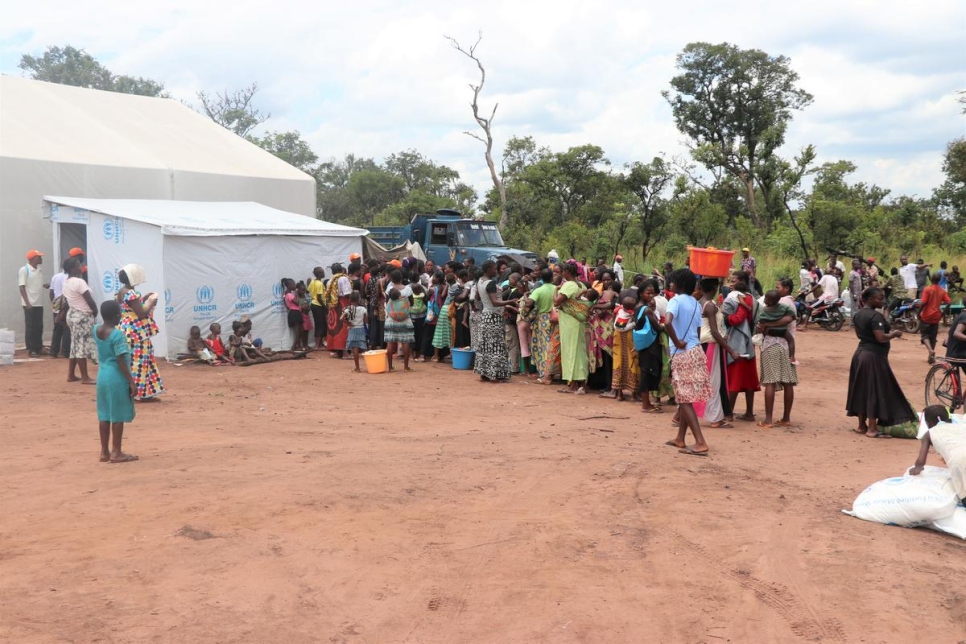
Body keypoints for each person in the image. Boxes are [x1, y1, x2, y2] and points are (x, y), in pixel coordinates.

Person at [845, 287, 915, 437]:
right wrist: (894, 334)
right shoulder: (875, 317)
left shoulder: (858, 315)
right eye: (879, 298)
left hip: (860, 355)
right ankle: (872, 429)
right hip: (873, 357)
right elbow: (881, 338)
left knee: (862, 390)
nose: (882, 301)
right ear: (870, 299)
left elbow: (861, 335)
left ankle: (861, 426)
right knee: (873, 391)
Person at [664, 269, 712, 456]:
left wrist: (676, 342)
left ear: (679, 284)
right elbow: (698, 330)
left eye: (673, 282)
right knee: (687, 398)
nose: (670, 284)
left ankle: (700, 442)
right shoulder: (696, 302)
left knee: (684, 399)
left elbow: (668, 322)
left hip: (682, 352)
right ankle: (680, 438)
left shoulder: (675, 301)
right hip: (696, 350)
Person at [94, 300, 137, 463]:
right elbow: (120, 361)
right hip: (116, 377)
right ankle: (116, 452)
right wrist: (131, 382)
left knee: (104, 414)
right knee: (117, 415)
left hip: (102, 376)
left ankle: (104, 452)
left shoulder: (96, 330)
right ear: (117, 316)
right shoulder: (117, 335)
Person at [116, 264, 163, 402]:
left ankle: (135, 392)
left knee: (132, 361)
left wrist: (143, 300)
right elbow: (141, 313)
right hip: (136, 332)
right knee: (140, 362)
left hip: (126, 329)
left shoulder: (121, 292)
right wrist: (151, 302)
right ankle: (140, 393)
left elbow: (130, 308)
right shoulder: (131, 293)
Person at [755, 287, 798, 427]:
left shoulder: (764, 311)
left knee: (770, 383)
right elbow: (791, 318)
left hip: (769, 346)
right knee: (788, 382)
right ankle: (786, 418)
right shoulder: (785, 308)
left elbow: (759, 326)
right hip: (785, 345)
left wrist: (766, 325)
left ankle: (768, 420)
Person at [698, 278, 737, 427]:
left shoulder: (701, 303)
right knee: (714, 381)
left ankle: (680, 415)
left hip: (705, 344)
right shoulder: (710, 306)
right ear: (714, 288)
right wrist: (731, 350)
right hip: (712, 346)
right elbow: (714, 332)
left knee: (705, 380)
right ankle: (715, 418)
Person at [722, 272, 760, 421]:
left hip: (739, 342)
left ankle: (729, 413)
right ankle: (749, 412)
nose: (731, 283)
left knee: (735, 377)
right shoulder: (750, 299)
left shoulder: (744, 299)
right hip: (747, 343)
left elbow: (737, 319)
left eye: (734, 281)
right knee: (749, 378)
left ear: (742, 283)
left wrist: (724, 316)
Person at [908, 406, 966, 504]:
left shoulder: (928, 434)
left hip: (959, 460)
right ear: (949, 418)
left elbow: (921, 461)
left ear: (927, 424)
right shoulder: (962, 425)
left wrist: (917, 468)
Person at [474, 260, 515, 382]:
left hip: (485, 316)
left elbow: (477, 298)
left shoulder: (480, 281)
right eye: (494, 269)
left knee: (486, 345)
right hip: (493, 317)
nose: (496, 271)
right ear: (488, 270)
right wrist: (510, 302)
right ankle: (496, 374)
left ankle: (485, 373)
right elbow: (495, 302)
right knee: (496, 345)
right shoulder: (491, 283)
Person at [555, 262, 590, 394]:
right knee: (579, 351)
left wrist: (555, 290)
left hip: (570, 322)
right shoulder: (581, 284)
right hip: (578, 321)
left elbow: (557, 301)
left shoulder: (569, 285)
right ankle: (581, 382)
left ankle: (572, 384)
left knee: (571, 351)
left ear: (567, 272)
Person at [63, 257, 99, 384]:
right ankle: (85, 377)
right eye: (78, 265)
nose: (80, 267)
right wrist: (95, 312)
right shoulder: (79, 282)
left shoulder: (66, 282)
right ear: (72, 268)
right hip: (82, 316)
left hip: (72, 315)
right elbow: (89, 300)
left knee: (75, 344)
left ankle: (71, 374)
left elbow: (67, 302)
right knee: (80, 346)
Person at [529, 267, 561, 385]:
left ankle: (545, 373)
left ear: (540, 278)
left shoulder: (538, 290)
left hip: (542, 319)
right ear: (552, 277)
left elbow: (529, 303)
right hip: (556, 318)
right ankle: (556, 372)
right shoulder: (556, 289)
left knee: (544, 347)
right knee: (555, 345)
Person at [609, 295, 639, 401]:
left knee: (618, 363)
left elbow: (615, 324)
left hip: (618, 339)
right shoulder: (630, 314)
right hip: (628, 338)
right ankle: (634, 394)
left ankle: (619, 394)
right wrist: (634, 323)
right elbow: (623, 327)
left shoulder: (618, 311)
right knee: (633, 361)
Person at [19, 249, 48, 357]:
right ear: (32, 259)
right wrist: (27, 303)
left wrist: (44, 285)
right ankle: (32, 349)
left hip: (39, 303)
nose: (41, 258)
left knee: (39, 326)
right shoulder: (24, 270)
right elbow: (21, 287)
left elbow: (35, 284)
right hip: (30, 303)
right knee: (31, 326)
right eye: (39, 257)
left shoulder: (39, 270)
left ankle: (38, 347)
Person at [757, 289, 797, 365]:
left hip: (769, 330)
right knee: (791, 340)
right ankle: (792, 357)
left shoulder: (765, 310)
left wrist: (763, 325)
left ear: (770, 301)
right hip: (783, 330)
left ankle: (763, 348)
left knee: (764, 338)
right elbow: (792, 316)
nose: (764, 300)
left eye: (765, 298)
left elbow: (761, 320)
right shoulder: (784, 307)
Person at [918, 273, 950, 364]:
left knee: (924, 335)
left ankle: (930, 351)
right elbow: (949, 303)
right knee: (933, 337)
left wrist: (919, 312)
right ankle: (931, 357)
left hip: (926, 315)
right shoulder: (942, 291)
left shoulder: (927, 289)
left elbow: (923, 303)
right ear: (939, 280)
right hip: (936, 316)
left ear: (931, 279)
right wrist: (943, 314)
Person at [325, 263, 353, 358]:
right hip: (343, 304)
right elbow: (347, 293)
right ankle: (345, 352)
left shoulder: (330, 281)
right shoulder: (343, 278)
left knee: (335, 328)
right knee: (344, 326)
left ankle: (337, 351)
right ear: (341, 270)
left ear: (332, 271)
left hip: (333, 306)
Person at [385, 288, 414, 372]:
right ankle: (406, 367)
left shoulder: (389, 302)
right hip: (405, 322)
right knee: (405, 342)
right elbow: (409, 308)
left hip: (391, 322)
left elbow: (387, 309)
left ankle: (390, 367)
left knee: (390, 343)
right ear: (398, 295)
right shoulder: (405, 300)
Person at [49, 258, 71, 359]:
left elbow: (51, 292)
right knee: (66, 328)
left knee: (57, 329)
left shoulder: (56, 276)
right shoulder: (69, 278)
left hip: (57, 306)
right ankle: (65, 351)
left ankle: (54, 351)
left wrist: (53, 304)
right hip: (66, 306)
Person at [342, 291, 369, 372]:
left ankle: (357, 368)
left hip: (352, 329)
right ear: (359, 299)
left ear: (350, 300)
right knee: (364, 348)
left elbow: (342, 318)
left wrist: (349, 323)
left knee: (355, 349)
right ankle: (370, 365)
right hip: (361, 329)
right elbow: (366, 321)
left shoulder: (348, 309)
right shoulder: (363, 309)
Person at [308, 266, 328, 350]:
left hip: (314, 304)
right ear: (319, 274)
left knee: (320, 324)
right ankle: (317, 345)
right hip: (318, 305)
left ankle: (319, 344)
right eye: (322, 272)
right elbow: (319, 297)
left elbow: (308, 290)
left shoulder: (313, 282)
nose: (324, 273)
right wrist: (325, 306)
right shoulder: (320, 284)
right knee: (320, 325)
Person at [281, 278, 302, 351]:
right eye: (293, 284)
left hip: (292, 312)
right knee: (297, 332)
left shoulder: (285, 294)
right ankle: (293, 347)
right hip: (295, 313)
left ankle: (298, 346)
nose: (294, 286)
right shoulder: (290, 295)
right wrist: (297, 294)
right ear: (289, 285)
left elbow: (286, 305)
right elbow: (297, 302)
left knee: (298, 331)